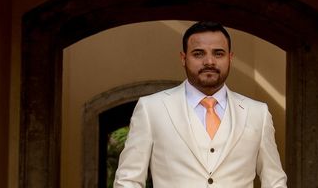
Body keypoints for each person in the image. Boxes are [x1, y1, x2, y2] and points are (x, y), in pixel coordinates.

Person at [113, 21, 287, 188]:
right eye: (198, 53)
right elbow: (128, 181)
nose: (209, 62)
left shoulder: (258, 113)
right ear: (183, 58)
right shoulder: (151, 108)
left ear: (230, 58)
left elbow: (274, 182)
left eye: (218, 53)